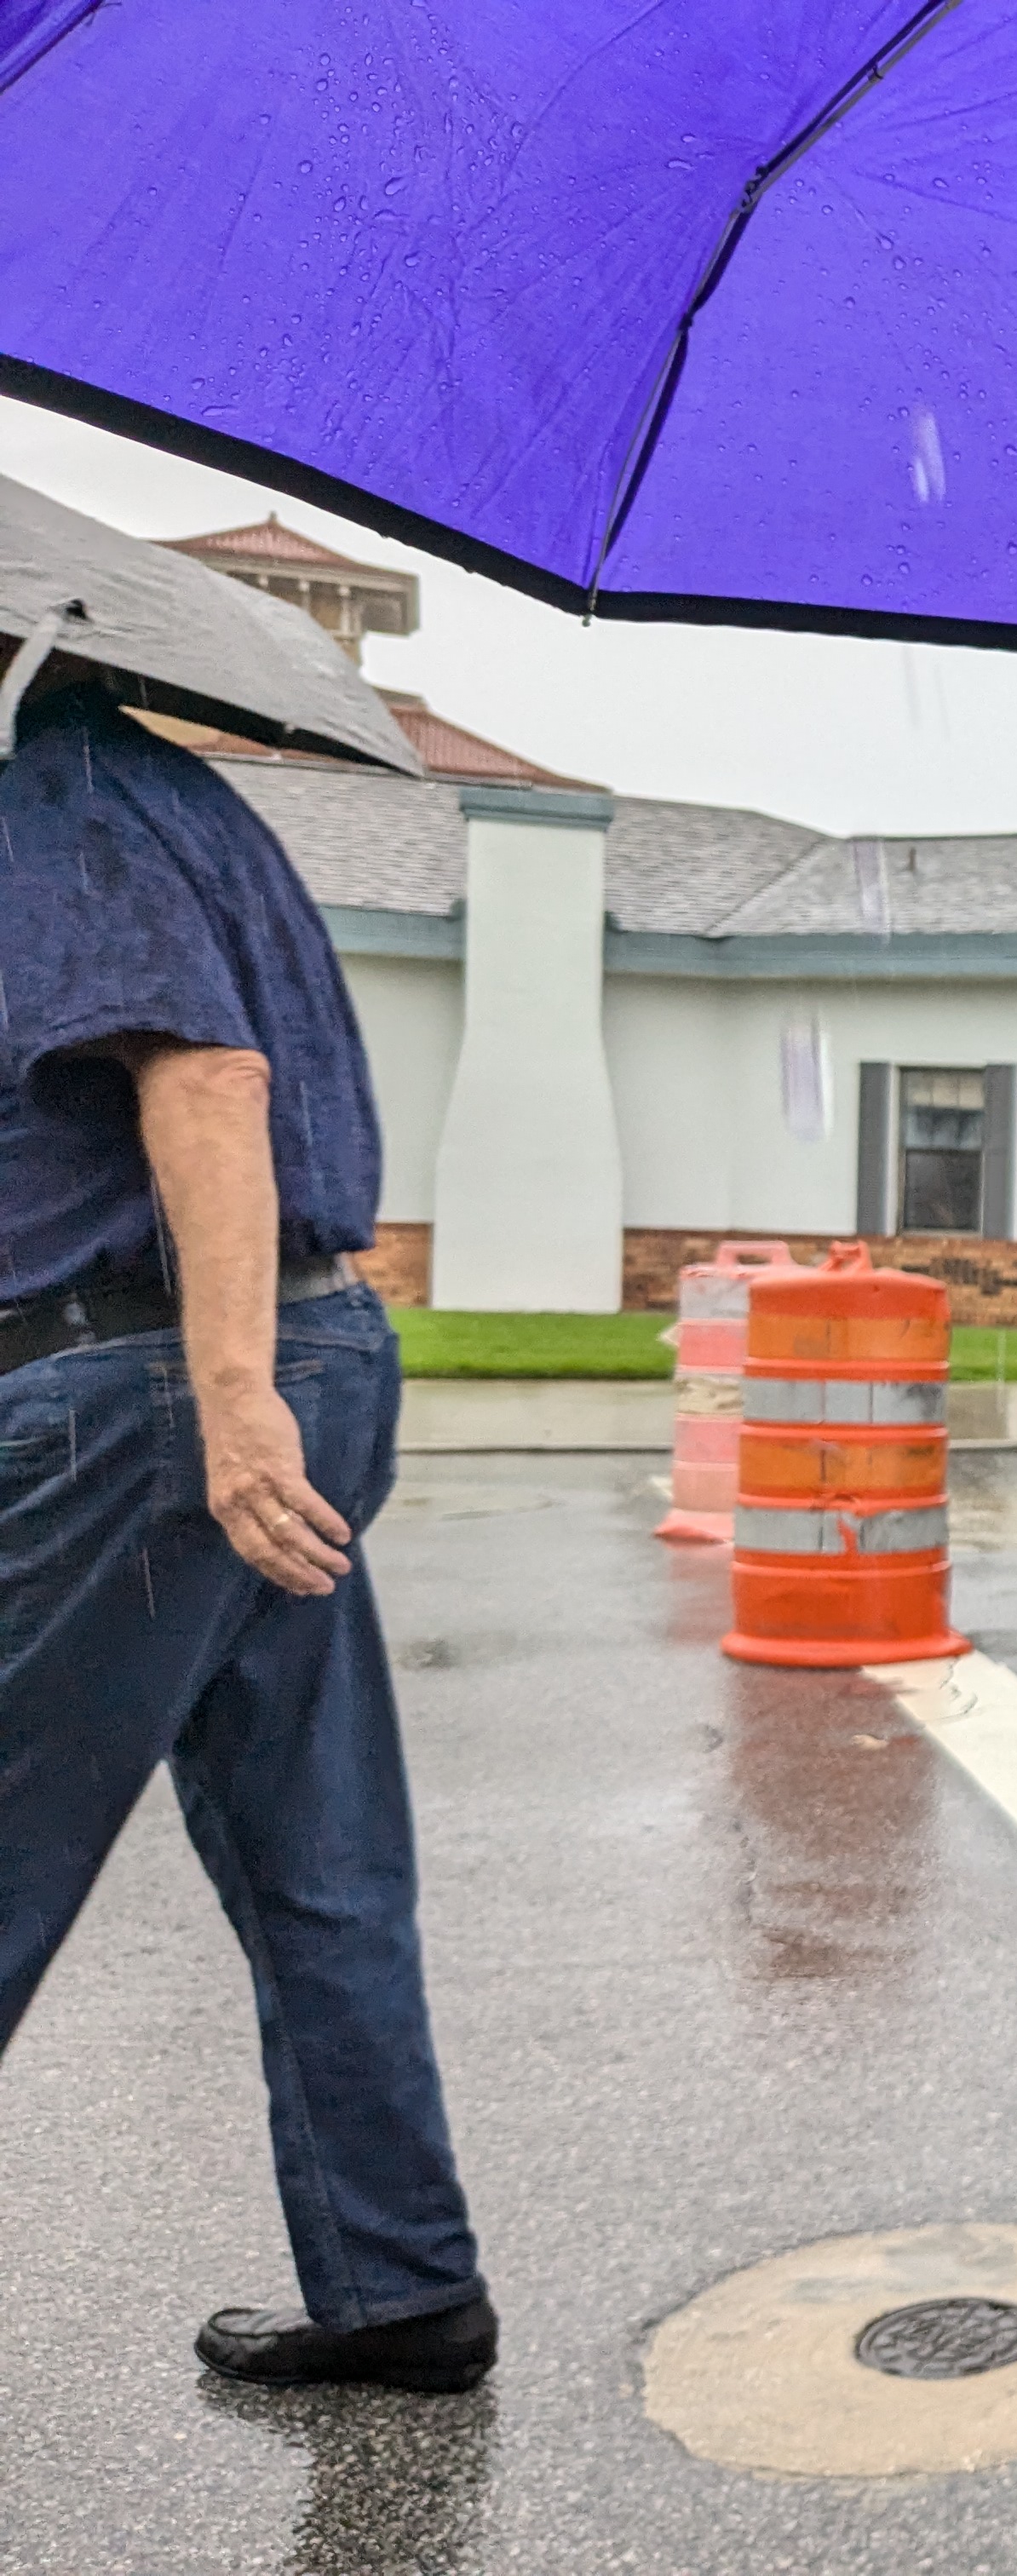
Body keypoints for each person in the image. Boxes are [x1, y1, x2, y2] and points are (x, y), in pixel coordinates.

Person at [0, 673, 496, 2393]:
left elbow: (208, 1081)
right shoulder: (185, 805)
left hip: (155, 1392)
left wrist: (228, 1397)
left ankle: (402, 2277)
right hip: (293, 1349)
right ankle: (402, 2285)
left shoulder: (53, 798)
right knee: (319, 1860)